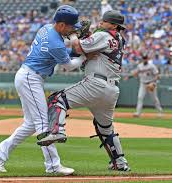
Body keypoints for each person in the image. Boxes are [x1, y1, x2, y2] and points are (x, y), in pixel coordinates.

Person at [0, 5, 87, 175]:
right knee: (43, 124)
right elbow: (69, 66)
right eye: (71, 26)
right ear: (62, 25)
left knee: (30, 124)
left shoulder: (47, 28)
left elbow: (64, 49)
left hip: (27, 75)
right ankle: (53, 166)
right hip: (30, 78)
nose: (73, 29)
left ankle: (0, 153)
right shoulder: (56, 43)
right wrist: (84, 56)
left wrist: (74, 46)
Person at [37, 10, 130, 171]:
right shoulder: (119, 39)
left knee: (57, 99)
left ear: (114, 25)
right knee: (105, 127)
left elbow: (78, 48)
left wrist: (74, 35)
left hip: (96, 83)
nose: (101, 23)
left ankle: (58, 130)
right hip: (112, 89)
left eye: (105, 21)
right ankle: (120, 162)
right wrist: (86, 37)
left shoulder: (104, 35)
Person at [132, 52, 163, 117]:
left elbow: (157, 75)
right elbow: (136, 73)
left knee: (154, 99)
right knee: (140, 97)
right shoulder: (140, 66)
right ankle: (138, 113)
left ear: (147, 59)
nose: (145, 59)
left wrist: (153, 83)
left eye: (146, 58)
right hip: (143, 83)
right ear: (142, 59)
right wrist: (131, 76)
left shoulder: (152, 66)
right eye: (144, 58)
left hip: (151, 83)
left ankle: (160, 112)